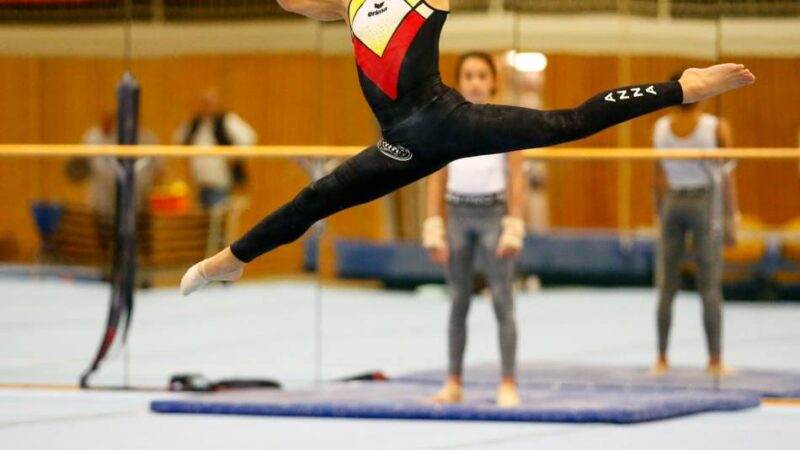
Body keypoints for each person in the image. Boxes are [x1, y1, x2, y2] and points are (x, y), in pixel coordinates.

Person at [180, 0, 754, 295]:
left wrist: (684, 89)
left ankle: (682, 86)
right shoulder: (349, 4)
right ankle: (229, 262)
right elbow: (289, 2)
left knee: (568, 122)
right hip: (398, 145)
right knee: (317, 198)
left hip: (448, 121)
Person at [423, 52, 524, 407]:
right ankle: (453, 382)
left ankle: (508, 382)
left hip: (493, 214)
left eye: (482, 75)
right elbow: (436, 176)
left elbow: (516, 175)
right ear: (459, 82)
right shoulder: (448, 123)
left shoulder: (504, 121)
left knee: (502, 301)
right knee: (458, 303)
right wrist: (433, 224)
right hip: (457, 214)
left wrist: (514, 224)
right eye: (469, 75)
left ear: (493, 81)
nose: (476, 82)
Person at [650, 71, 740, 377]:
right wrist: (732, 217)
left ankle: (661, 359)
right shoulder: (715, 127)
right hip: (703, 204)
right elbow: (727, 179)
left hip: (673, 203)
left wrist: (658, 214)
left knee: (667, 286)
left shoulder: (661, 127)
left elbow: (656, 179)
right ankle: (714, 361)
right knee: (709, 285)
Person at [172, 88, 257, 210]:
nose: (207, 106)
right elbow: (178, 139)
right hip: (200, 183)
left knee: (217, 221)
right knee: (204, 222)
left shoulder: (226, 121)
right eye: (204, 103)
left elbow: (249, 137)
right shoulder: (195, 123)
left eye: (210, 103)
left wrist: (235, 156)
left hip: (220, 182)